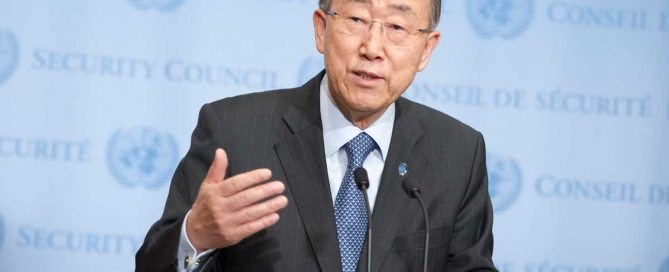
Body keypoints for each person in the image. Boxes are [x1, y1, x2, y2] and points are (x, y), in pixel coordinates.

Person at [136, 0, 497, 271]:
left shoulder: (457, 154)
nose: (372, 48)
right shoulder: (234, 131)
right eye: (357, 19)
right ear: (321, 29)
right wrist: (195, 237)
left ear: (426, 49)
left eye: (396, 27)